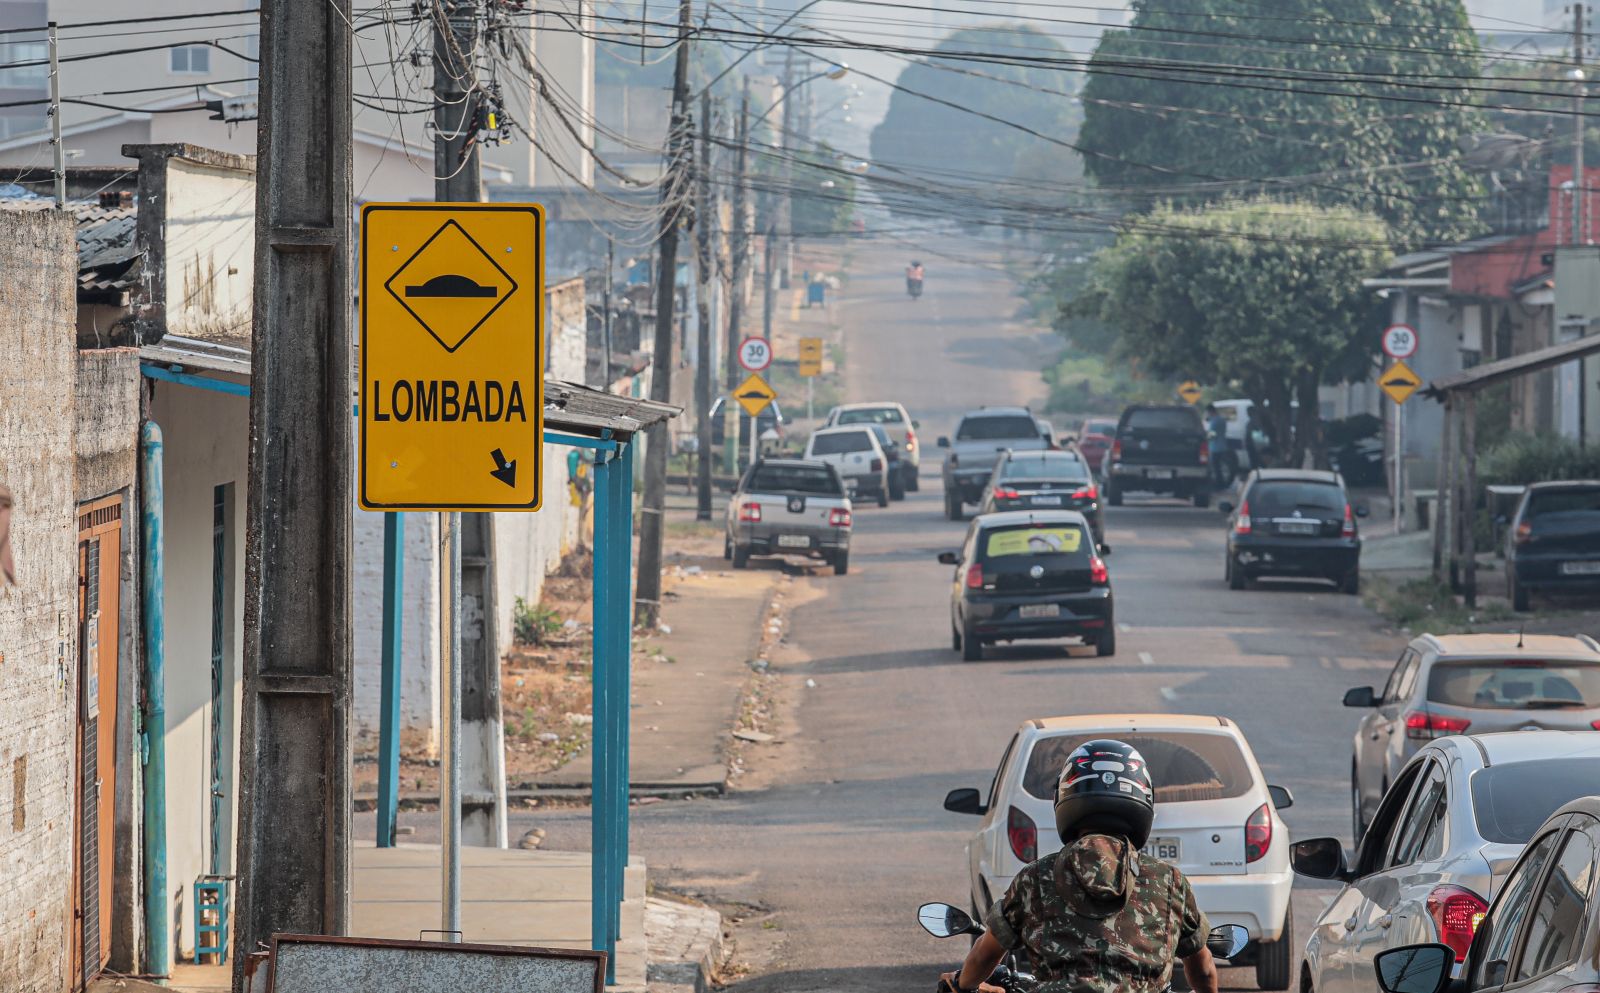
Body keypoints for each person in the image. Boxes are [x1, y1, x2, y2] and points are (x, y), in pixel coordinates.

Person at [940, 739, 1218, 993]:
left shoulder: (1035, 877)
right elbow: (1203, 970)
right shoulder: (1168, 881)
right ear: (1144, 800)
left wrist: (961, 985)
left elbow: (984, 955)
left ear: (1065, 798)